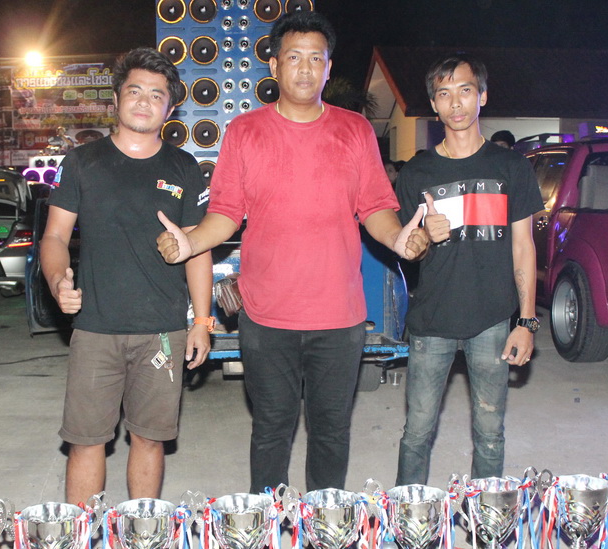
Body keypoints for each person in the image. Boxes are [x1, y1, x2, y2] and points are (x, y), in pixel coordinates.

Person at [156, 11, 428, 493]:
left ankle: (325, 531)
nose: (305, 69)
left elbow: (375, 207)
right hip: (266, 317)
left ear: (328, 67)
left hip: (339, 316)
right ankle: (267, 527)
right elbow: (226, 212)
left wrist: (398, 238)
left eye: (315, 59)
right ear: (274, 66)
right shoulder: (245, 131)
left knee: (331, 433)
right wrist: (190, 242)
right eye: (294, 58)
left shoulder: (355, 130)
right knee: (271, 430)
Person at [41, 47, 213, 504]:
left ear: (170, 109)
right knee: (85, 441)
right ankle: (80, 537)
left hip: (163, 330)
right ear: (116, 98)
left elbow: (197, 249)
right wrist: (58, 281)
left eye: (156, 95)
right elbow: (54, 236)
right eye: (135, 91)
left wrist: (201, 321)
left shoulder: (183, 167)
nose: (144, 101)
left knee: (150, 439)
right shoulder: (82, 162)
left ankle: (143, 537)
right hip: (95, 328)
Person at [394, 54, 544, 486]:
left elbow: (523, 247)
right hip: (431, 320)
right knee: (417, 432)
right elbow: (407, 253)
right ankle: (410, 519)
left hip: (492, 319)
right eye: (444, 94)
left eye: (464, 90)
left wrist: (526, 322)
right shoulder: (417, 172)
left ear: (482, 96)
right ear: (433, 104)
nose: (455, 103)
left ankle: (486, 520)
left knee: (490, 434)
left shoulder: (510, 167)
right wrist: (425, 235)